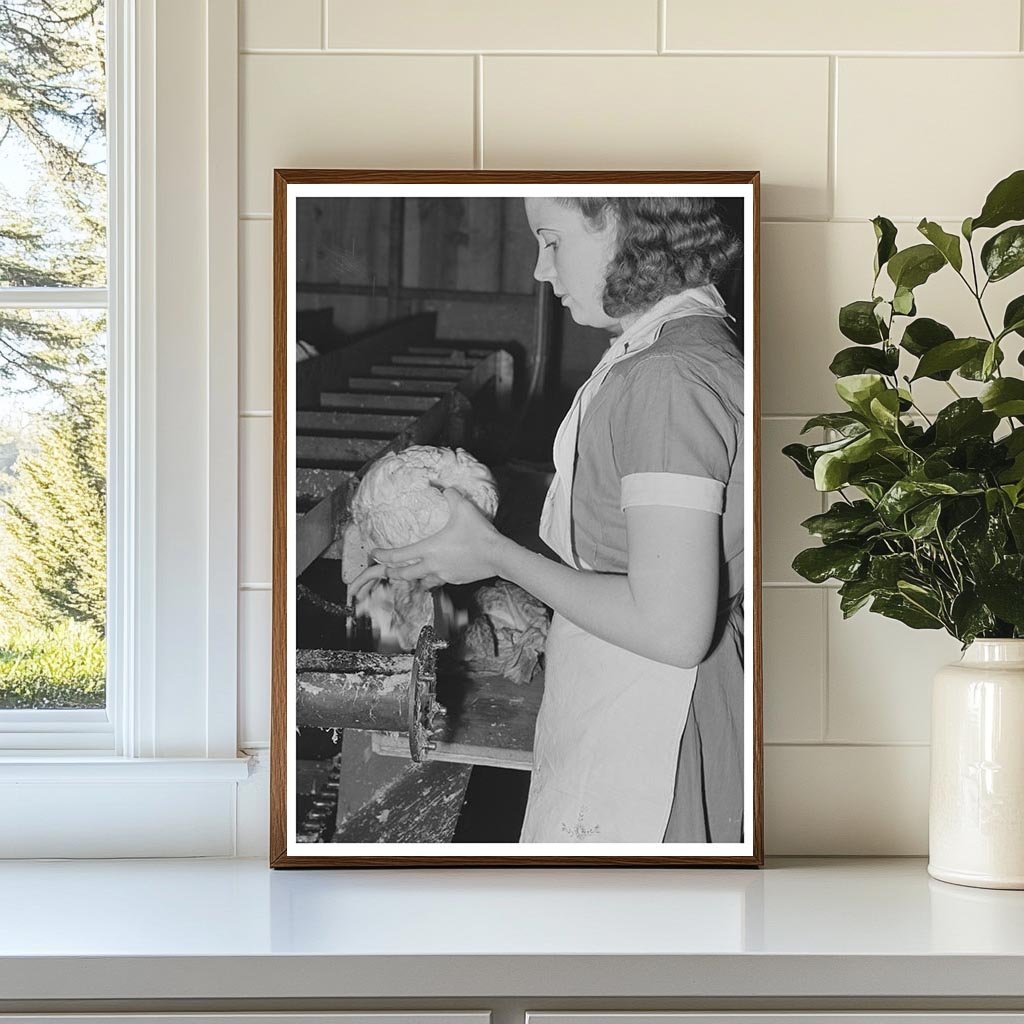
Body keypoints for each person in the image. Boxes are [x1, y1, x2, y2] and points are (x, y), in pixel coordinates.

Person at [350, 196, 744, 844]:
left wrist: (496, 555)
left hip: (658, 732)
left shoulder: (671, 376)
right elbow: (617, 532)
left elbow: (672, 627)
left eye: (552, 240)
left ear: (625, 225)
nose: (539, 269)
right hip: (625, 695)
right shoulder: (666, 349)